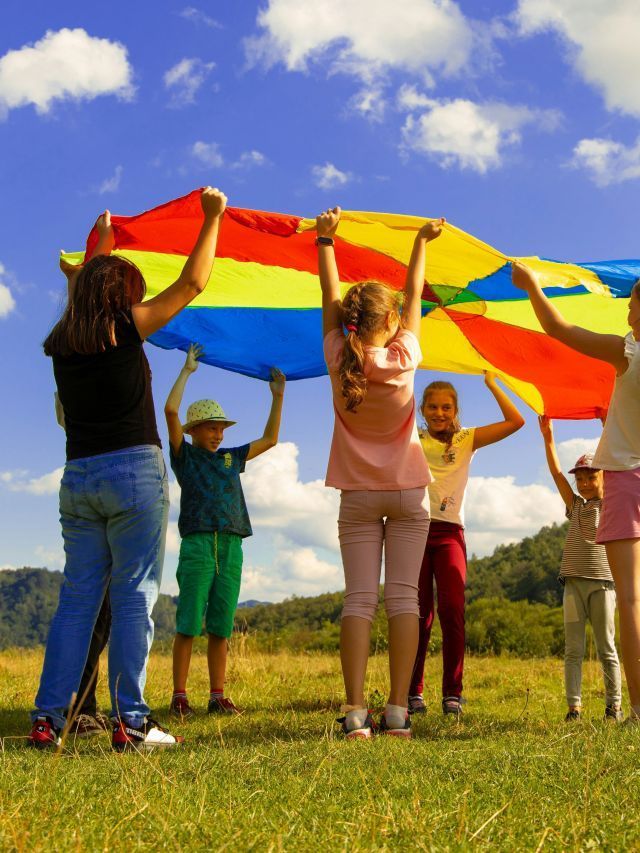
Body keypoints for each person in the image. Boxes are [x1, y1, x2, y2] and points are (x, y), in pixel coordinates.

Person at [29, 186, 227, 752]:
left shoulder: (64, 340)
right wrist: (211, 218)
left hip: (79, 480)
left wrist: (103, 242)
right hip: (133, 475)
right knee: (135, 595)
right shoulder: (125, 328)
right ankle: (132, 722)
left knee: (77, 599)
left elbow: (84, 292)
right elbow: (193, 282)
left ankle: (47, 720)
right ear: (121, 297)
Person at [317, 206, 444, 740]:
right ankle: (396, 711)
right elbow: (416, 295)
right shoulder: (405, 357)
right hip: (409, 493)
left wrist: (326, 241)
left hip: (357, 496)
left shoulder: (336, 356)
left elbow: (328, 300)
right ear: (390, 323)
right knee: (404, 601)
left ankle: (353, 713)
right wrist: (421, 241)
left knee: (359, 601)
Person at [513, 263, 640, 720]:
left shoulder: (626, 352)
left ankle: (636, 707)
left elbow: (558, 327)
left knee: (629, 600)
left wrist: (531, 286)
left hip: (627, 477)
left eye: (630, 306)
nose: (626, 312)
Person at [166, 343, 285, 718]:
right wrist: (187, 371)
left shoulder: (232, 458)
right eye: (211, 428)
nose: (218, 434)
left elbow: (270, 440)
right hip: (198, 544)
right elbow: (170, 410)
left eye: (220, 428)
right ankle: (180, 695)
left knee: (221, 626)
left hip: (232, 544)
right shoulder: (185, 457)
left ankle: (217, 695)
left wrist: (277, 396)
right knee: (188, 623)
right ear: (195, 431)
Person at [409, 373, 524, 717]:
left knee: (452, 610)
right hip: (413, 530)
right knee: (418, 615)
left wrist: (492, 383)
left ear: (456, 409)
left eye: (446, 406)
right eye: (433, 406)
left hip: (449, 534)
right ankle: (413, 692)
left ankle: (452, 694)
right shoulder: (412, 437)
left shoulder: (466, 438)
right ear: (422, 408)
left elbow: (515, 421)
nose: (439, 412)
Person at [539, 416, 622, 721]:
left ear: (603, 477)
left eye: (592, 477)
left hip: (602, 584)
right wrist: (549, 437)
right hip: (573, 585)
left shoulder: (611, 502)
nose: (585, 484)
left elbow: (618, 463)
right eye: (581, 479)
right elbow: (557, 473)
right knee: (573, 649)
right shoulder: (574, 505)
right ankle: (574, 707)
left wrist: (608, 426)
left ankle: (614, 705)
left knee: (606, 647)